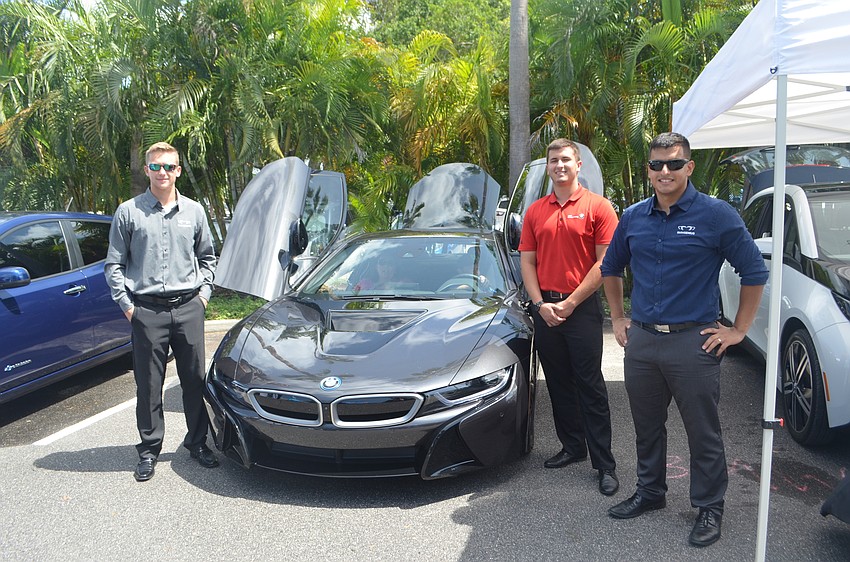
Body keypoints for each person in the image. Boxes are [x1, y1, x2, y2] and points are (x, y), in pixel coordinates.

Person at [601, 132, 768, 547]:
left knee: (702, 431)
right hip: (642, 342)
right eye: (657, 164)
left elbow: (754, 272)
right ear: (648, 170)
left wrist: (739, 330)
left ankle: (710, 507)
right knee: (646, 427)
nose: (664, 172)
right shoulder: (634, 216)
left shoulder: (716, 215)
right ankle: (651, 492)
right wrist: (619, 319)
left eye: (674, 164)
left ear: (689, 167)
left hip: (693, 343)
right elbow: (611, 267)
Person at [106, 142, 218, 482]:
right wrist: (129, 308)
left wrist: (203, 298)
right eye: (156, 167)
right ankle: (149, 450)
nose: (163, 173)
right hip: (147, 311)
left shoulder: (195, 212)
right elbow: (114, 265)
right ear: (147, 170)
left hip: (189, 308)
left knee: (194, 380)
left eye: (169, 166)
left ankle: (197, 443)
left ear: (179, 170)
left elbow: (208, 259)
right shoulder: (129, 212)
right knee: (149, 384)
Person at [518, 138, 620, 496]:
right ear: (547, 168)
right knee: (558, 383)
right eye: (553, 161)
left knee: (590, 386)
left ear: (578, 166)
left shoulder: (598, 207)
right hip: (545, 309)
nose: (559, 165)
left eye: (565, 160)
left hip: (582, 310)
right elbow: (527, 261)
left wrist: (571, 303)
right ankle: (573, 447)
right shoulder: (535, 212)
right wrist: (539, 304)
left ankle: (604, 464)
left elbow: (605, 263)